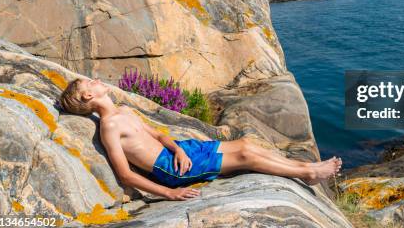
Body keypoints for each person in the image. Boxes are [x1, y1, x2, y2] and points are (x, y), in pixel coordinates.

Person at [58, 77, 342, 201]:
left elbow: (157, 134)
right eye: (90, 83)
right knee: (246, 158)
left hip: (178, 154)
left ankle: (299, 168)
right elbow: (124, 175)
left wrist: (178, 150)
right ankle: (307, 172)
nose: (95, 81)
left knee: (246, 145)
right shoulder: (109, 126)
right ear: (88, 96)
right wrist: (170, 193)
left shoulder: (124, 110)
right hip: (170, 170)